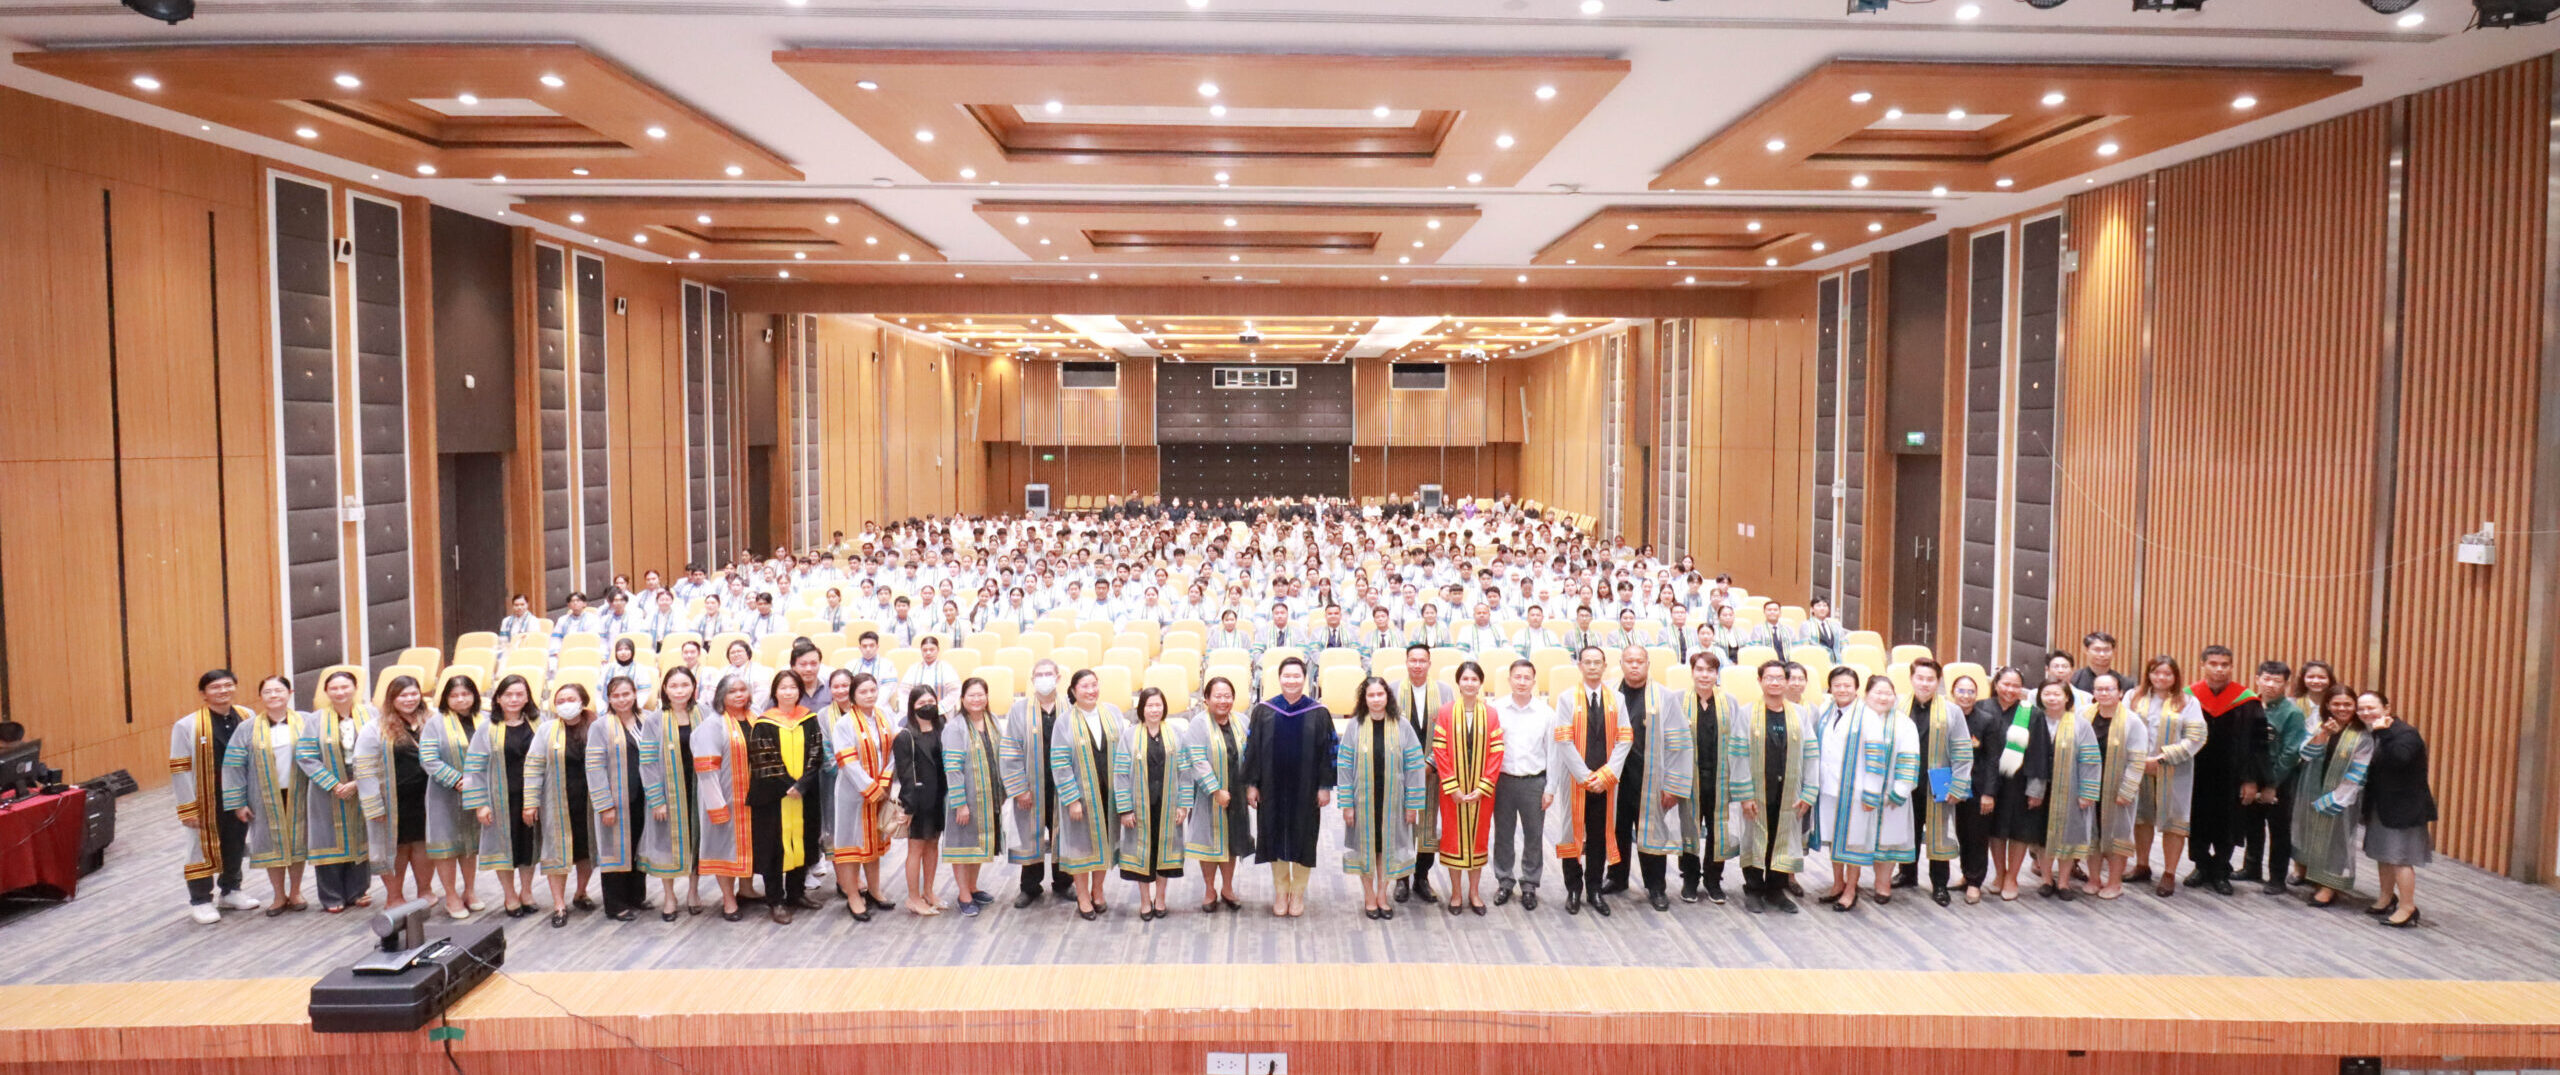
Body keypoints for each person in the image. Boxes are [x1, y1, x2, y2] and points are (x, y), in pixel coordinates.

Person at [1242, 657, 1338, 918]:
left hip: (1305, 789)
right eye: (1287, 676)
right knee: (1275, 836)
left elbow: (1329, 751)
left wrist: (1324, 786)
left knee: (1303, 838)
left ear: (1304, 679)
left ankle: (1298, 892)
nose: (1292, 680)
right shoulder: (1264, 710)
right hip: (1272, 788)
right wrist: (1252, 784)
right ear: (1279, 678)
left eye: (1297, 676)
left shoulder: (1318, 712)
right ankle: (1281, 891)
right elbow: (1251, 750)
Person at [1818, 673, 1916, 912]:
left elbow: (1875, 760)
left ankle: (1851, 889)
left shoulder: (1868, 717)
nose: (1842, 689)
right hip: (1830, 789)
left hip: (1856, 790)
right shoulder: (1827, 711)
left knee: (1854, 842)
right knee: (1834, 838)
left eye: (1847, 685)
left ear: (1856, 689)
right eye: (1837, 685)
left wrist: (1872, 792)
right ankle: (1837, 883)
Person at [1551, 646, 1632, 917]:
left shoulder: (1616, 699)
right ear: (1580, 666)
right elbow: (1563, 739)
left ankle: (1594, 888)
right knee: (1572, 834)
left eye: (1598, 662)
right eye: (1588, 662)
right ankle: (1573, 888)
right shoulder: (1566, 699)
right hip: (1576, 779)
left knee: (1599, 834)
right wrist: (1585, 776)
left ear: (1605, 666)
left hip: (1606, 781)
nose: (1593, 667)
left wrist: (1607, 775)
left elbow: (1625, 738)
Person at [1734, 661, 1820, 914]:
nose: (1774, 682)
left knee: (1783, 840)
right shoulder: (1747, 713)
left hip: (1790, 792)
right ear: (1760, 681)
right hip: (1757, 790)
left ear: (1786, 682)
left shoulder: (1799, 714)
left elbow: (1811, 754)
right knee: (1754, 838)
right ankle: (1753, 889)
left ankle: (1776, 891)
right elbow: (1738, 755)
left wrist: (1809, 791)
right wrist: (1744, 794)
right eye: (1769, 678)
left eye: (1779, 678)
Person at [174, 669, 259, 923]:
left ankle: (231, 890)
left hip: (238, 795)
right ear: (203, 694)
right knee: (199, 848)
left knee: (235, 842)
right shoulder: (187, 725)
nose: (223, 691)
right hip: (205, 797)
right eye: (215, 687)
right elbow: (180, 768)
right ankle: (200, 900)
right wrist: (187, 807)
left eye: (228, 685)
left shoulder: (247, 716)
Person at [1338, 676, 1426, 920]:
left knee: (1386, 849)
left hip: (1393, 802)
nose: (1376, 699)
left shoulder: (1402, 725)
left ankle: (1382, 895)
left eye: (1380, 694)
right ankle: (1368, 896)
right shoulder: (1354, 726)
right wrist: (1346, 804)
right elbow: (1344, 767)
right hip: (1362, 802)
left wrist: (1413, 805)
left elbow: (1415, 766)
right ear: (1364, 699)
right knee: (1366, 849)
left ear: (1388, 697)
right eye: (1371, 695)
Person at [220, 675, 308, 916]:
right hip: (262, 795)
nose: (273, 696)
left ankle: (297, 891)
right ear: (260, 697)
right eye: (268, 692)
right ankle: (279, 895)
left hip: (299, 791)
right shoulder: (246, 728)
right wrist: (237, 803)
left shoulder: (306, 722)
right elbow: (233, 766)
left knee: (297, 840)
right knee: (271, 843)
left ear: (290, 693)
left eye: (279, 691)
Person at [2185, 645, 2269, 895]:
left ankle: (2221, 869)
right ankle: (2201, 866)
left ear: (2232, 667)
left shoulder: (2247, 700)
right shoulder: (2189, 697)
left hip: (2233, 776)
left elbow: (2258, 745)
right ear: (2203, 665)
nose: (2219, 669)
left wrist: (2251, 780)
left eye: (2224, 664)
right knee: (2196, 821)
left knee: (2228, 823)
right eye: (2213, 664)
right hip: (2196, 774)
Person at [746, 670, 827, 923]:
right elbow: (764, 759)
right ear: (775, 692)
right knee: (774, 847)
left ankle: (796, 893)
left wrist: (802, 785)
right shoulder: (764, 723)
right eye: (783, 688)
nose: (788, 692)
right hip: (773, 798)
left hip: (804, 795)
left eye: (793, 687)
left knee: (802, 841)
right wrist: (788, 785)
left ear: (799, 691)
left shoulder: (809, 719)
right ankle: (776, 900)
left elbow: (816, 752)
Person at [1616, 646, 1692, 912]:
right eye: (1629, 661)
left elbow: (1679, 742)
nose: (1634, 666)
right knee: (1617, 829)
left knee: (1652, 833)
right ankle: (1616, 877)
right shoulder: (1611, 694)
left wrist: (1673, 784)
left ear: (1648, 664)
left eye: (1640, 661)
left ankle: (1656, 887)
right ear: (1621, 663)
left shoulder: (1664, 697)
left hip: (1650, 777)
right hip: (1616, 777)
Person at [462, 674, 541, 918]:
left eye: (520, 694)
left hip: (531, 798)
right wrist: (480, 805)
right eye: (509, 694)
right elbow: (473, 768)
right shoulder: (487, 728)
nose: (514, 699)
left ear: (528, 697)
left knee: (529, 847)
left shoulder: (540, 723)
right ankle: (510, 895)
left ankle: (527, 892)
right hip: (499, 800)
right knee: (504, 849)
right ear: (498, 698)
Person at [2125, 655, 2205, 897]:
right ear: (2148, 674)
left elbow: (2196, 737)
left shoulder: (2187, 702)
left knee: (2174, 821)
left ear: (2175, 677)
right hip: (2138, 767)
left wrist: (2161, 758)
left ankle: (2169, 873)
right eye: (2156, 672)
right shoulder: (2133, 697)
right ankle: (2142, 864)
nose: (2161, 677)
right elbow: (2123, 728)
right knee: (2141, 817)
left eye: (2167, 673)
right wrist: (2137, 760)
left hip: (2174, 769)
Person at [295, 669, 374, 913]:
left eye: (345, 687)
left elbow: (380, 749)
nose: (340, 692)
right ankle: (331, 896)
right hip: (327, 789)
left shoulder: (371, 714)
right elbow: (306, 756)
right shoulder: (315, 720)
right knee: (328, 840)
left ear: (355, 688)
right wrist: (333, 784)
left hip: (364, 783)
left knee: (361, 837)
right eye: (334, 688)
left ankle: (358, 890)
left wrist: (358, 782)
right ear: (327, 692)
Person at [356, 676, 436, 910]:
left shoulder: (432, 721)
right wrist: (373, 803)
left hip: (426, 796)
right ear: (392, 698)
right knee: (396, 847)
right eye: (403, 695)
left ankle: (425, 889)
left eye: (413, 693)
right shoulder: (375, 727)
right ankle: (394, 896)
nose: (409, 699)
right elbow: (364, 766)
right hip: (391, 798)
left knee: (423, 844)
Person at [1113, 686, 1192, 920]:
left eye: (1158, 705)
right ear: (1142, 709)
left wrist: (1183, 805)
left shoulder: (1176, 733)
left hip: (1168, 806)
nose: (1154, 710)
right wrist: (1125, 809)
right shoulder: (1129, 736)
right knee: (1143, 854)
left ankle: (1161, 898)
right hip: (1139, 808)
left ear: (1164, 707)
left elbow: (1185, 772)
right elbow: (1120, 774)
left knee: (1163, 853)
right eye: (1150, 705)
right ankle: (1145, 900)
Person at [1430, 661, 1502, 915]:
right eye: (1465, 679)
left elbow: (1496, 753)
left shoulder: (1490, 714)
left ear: (1481, 683)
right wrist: (1452, 786)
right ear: (1458, 683)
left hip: (1482, 791)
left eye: (1474, 679)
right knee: (1453, 839)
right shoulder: (1446, 712)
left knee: (1478, 838)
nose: (1469, 683)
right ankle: (1457, 893)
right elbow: (1439, 750)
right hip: (1453, 791)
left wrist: (1484, 786)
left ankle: (1474, 892)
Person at [526, 683, 600, 927]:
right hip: (556, 801)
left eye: (571, 698)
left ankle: (581, 892)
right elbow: (534, 766)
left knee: (586, 849)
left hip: (589, 802)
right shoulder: (546, 730)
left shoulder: (596, 727)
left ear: (582, 701)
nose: (566, 704)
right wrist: (530, 802)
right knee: (556, 852)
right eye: (561, 700)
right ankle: (559, 904)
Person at [1003, 659, 1076, 908]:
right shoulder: (1019, 710)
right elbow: (1010, 750)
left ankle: (1064, 882)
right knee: (1030, 835)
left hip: (1062, 785)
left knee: (1063, 834)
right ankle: (1030, 887)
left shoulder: (1070, 708)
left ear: (1058, 677)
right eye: (1039, 674)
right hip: (1031, 786)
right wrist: (1019, 788)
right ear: (1032, 679)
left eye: (1049, 673)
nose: (1044, 678)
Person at [1051, 668, 1123, 919]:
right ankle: (1082, 896)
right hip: (1081, 796)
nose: (1091, 690)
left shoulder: (1112, 713)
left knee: (1104, 842)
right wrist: (1072, 799)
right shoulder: (1064, 721)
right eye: (1085, 686)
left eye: (1094, 685)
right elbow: (1059, 763)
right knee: (1081, 846)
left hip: (1109, 792)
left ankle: (1098, 891)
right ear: (1073, 691)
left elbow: (1124, 752)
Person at [2356, 690, 2432, 929]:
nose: (2366, 713)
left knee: (2400, 858)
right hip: (2381, 804)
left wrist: (2383, 733)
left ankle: (2408, 907)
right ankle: (2386, 897)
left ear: (2387, 709)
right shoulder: (2373, 732)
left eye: (2372, 708)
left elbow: (2400, 759)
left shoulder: (2404, 733)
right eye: (2362, 709)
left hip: (2404, 808)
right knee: (2383, 854)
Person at [1486, 658, 1556, 912]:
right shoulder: (1495, 709)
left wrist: (1550, 788)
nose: (1522, 682)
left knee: (1534, 836)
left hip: (1533, 782)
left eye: (1527, 678)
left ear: (1534, 682)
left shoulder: (1546, 713)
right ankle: (1504, 880)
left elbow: (1553, 754)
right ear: (1509, 680)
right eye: (1517, 677)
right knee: (1503, 835)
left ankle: (1529, 884)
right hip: (1503, 781)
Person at [1387, 644, 1454, 905]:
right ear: (1406, 662)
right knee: (1401, 824)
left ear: (1429, 663)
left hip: (1432, 770)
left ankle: (1422, 878)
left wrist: (1430, 763)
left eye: (1422, 661)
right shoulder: (1392, 690)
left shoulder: (1445, 691)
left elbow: (1449, 732)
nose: (1417, 665)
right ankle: (1401, 879)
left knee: (1427, 825)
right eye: (1412, 660)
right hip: (1399, 771)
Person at [1903, 659, 1973, 906]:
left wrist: (1959, 785)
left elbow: (1963, 751)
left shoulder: (1951, 711)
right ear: (1911, 678)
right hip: (1906, 780)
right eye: (1920, 678)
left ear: (1938, 682)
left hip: (1938, 781)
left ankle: (1939, 883)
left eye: (1930, 679)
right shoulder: (1899, 705)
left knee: (1939, 834)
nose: (1924, 683)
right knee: (1905, 829)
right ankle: (1906, 873)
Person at [1183, 675, 1253, 912]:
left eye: (1228, 696)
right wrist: (1215, 790)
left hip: (1237, 791)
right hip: (1208, 795)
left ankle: (1228, 888)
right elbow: (1197, 759)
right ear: (1206, 699)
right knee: (1210, 842)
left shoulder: (1242, 721)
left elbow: (1251, 755)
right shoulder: (1198, 724)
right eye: (1217, 696)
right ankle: (1209, 889)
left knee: (1232, 841)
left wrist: (1251, 786)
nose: (1223, 701)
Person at [2295, 687, 2371, 908]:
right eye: (2336, 704)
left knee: (2337, 839)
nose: (2342, 709)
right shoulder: (2318, 724)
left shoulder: (2362, 735)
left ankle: (2330, 885)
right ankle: (2316, 877)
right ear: (2327, 705)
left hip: (2344, 793)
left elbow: (2360, 770)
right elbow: (2305, 754)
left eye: (2347, 704)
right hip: (2313, 787)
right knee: (2312, 834)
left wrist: (2338, 797)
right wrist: (2323, 735)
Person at [1980, 666, 2050, 902]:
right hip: (1990, 782)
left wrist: (2036, 789)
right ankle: (1999, 874)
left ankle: (2012, 877)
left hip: (2021, 783)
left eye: (2015, 685)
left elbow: (2040, 753)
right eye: (2005, 684)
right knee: (1995, 830)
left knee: (2019, 831)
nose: (2010, 690)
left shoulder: (2032, 713)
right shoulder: (1983, 707)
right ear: (1996, 683)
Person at [692, 674, 758, 921]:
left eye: (743, 690)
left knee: (747, 845)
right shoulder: (713, 724)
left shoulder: (755, 716)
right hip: (724, 795)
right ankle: (729, 900)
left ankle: (747, 889)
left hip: (753, 797)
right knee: (724, 847)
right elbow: (706, 769)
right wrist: (716, 804)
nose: (739, 695)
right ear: (721, 696)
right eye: (733, 691)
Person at [640, 667, 703, 920]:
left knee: (696, 840)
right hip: (667, 792)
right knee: (667, 843)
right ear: (665, 689)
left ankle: (694, 892)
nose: (679, 691)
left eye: (685, 685)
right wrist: (656, 799)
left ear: (693, 687)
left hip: (698, 787)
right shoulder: (655, 719)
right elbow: (647, 761)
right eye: (674, 686)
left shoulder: (705, 714)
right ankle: (669, 896)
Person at [421, 670, 484, 919]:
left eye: (466, 694)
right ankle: (451, 895)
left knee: (469, 845)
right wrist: (456, 779)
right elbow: (428, 758)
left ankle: (470, 891)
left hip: (478, 793)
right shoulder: (435, 723)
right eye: (454, 695)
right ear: (446, 698)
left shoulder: (485, 719)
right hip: (443, 793)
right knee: (446, 846)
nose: (461, 699)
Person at [941, 677, 1005, 918]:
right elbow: (953, 768)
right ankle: (963, 894)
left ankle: (973, 887)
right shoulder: (955, 727)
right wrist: (960, 804)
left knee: (979, 842)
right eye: (972, 695)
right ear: (963, 699)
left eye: (981, 695)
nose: (977, 699)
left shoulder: (993, 721)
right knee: (962, 845)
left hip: (989, 796)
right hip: (966, 798)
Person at [2243, 660, 2309, 895]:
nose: (2270, 685)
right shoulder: (2249, 705)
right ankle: (2251, 867)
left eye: (2277, 681)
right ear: (2257, 679)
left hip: (2280, 779)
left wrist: (2272, 785)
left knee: (2279, 829)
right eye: (2266, 679)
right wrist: (2248, 778)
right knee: (2252, 823)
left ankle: (2277, 877)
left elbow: (2290, 753)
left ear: (2286, 684)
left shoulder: (2292, 712)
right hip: (2251, 776)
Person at [1681, 652, 1741, 906]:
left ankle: (1714, 880)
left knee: (1718, 830)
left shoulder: (1730, 703)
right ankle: (1690, 880)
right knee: (1689, 829)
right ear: (1692, 671)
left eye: (1711, 670)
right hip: (1690, 779)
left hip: (1720, 778)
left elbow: (1738, 742)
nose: (1705, 675)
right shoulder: (1679, 701)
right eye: (1700, 669)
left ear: (1717, 674)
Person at [2086, 671, 2152, 901]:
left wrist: (2127, 789)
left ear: (2120, 692)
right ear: (2093, 693)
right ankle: (2094, 879)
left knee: (2117, 835)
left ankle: (2115, 882)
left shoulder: (2132, 721)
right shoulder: (2085, 715)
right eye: (2099, 689)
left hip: (2118, 788)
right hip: (2090, 786)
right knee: (2091, 833)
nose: (2104, 693)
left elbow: (2137, 759)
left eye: (2110, 689)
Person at [589, 676, 650, 922]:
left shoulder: (647, 720)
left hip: (644, 797)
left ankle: (636, 896)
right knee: (614, 851)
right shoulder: (601, 726)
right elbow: (594, 767)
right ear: (609, 698)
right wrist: (605, 805)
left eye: (626, 694)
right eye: (616, 695)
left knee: (638, 848)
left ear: (635, 694)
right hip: (616, 800)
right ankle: (615, 904)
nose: (622, 699)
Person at [2037, 680, 2103, 901]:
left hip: (2071, 788)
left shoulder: (2080, 724)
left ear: (2067, 697)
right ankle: (2046, 879)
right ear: (2040, 696)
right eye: (2047, 693)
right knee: (2041, 835)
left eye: (2057, 694)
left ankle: (2064, 881)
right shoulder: (2035, 721)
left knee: (2067, 834)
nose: (2052, 698)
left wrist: (2088, 791)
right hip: (2039, 789)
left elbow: (2091, 759)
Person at [895, 684, 951, 916]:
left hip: (938, 798)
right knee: (915, 849)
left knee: (932, 845)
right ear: (912, 707)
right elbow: (906, 776)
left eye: (931, 701)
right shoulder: (905, 735)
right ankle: (913, 897)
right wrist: (908, 808)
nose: (927, 706)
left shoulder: (942, 728)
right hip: (917, 801)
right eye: (920, 703)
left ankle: (929, 891)